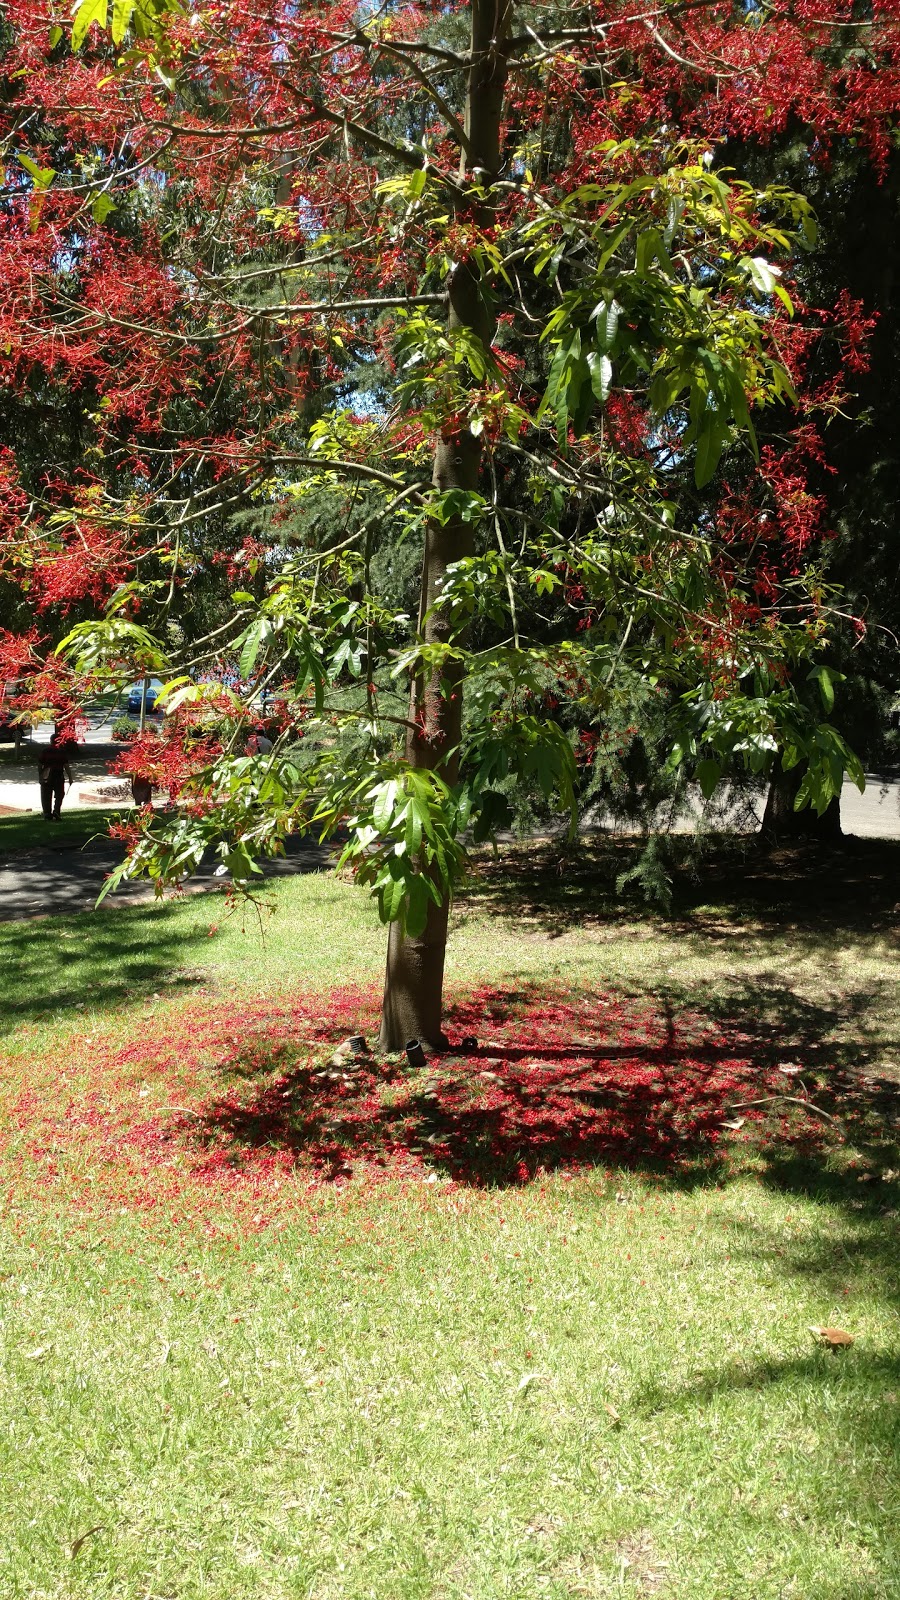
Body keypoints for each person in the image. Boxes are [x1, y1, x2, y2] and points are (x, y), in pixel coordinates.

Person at [38, 728, 73, 821]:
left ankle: (47, 814)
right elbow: (66, 766)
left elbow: (40, 764)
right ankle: (56, 811)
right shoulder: (62, 752)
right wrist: (70, 778)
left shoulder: (45, 751)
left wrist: (40, 775)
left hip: (47, 776)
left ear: (50, 741)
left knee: (46, 795)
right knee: (59, 795)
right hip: (58, 776)